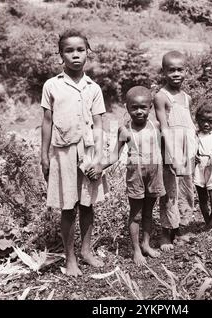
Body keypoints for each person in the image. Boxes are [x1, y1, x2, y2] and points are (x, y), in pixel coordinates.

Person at [40, 29, 107, 277]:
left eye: (80, 50)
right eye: (69, 50)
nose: (75, 55)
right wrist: (43, 155)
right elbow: (46, 121)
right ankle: (70, 260)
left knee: (88, 204)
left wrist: (99, 159)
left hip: (88, 152)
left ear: (87, 53)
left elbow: (100, 124)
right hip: (63, 153)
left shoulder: (93, 88)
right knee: (68, 207)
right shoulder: (52, 85)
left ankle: (86, 251)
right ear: (61, 55)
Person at [93, 86, 165, 265]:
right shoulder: (124, 130)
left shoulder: (156, 126)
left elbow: (166, 147)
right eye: (134, 107)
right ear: (127, 107)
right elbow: (116, 154)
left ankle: (146, 244)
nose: (139, 111)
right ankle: (136, 250)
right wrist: (101, 166)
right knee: (136, 214)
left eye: (143, 107)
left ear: (150, 108)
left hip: (155, 173)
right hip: (136, 176)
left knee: (149, 212)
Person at [153, 50, 197, 251]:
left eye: (180, 70)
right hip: (171, 150)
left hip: (188, 151)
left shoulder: (186, 97)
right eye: (172, 70)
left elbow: (189, 126)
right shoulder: (161, 97)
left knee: (186, 190)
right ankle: (165, 231)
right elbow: (164, 127)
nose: (176, 74)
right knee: (170, 191)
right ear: (164, 71)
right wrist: (170, 156)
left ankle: (182, 229)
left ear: (186, 71)